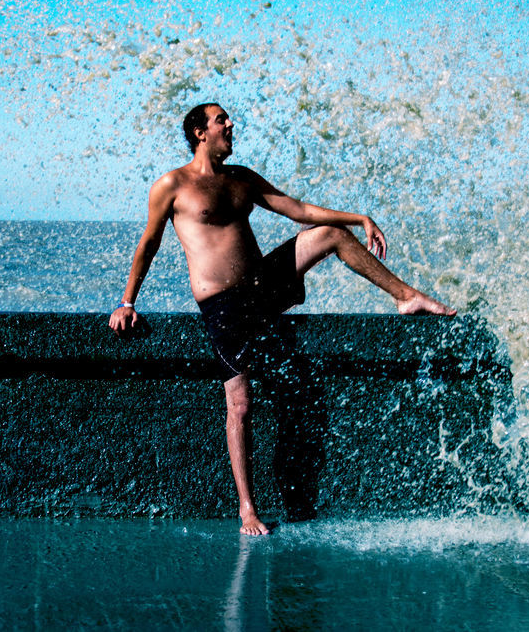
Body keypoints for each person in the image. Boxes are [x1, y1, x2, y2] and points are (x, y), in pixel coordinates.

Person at [109, 102, 455, 535]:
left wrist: (359, 216)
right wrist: (127, 302)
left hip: (262, 287)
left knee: (330, 235)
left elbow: (299, 211)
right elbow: (149, 242)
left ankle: (407, 297)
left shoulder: (243, 180)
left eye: (228, 119)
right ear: (199, 132)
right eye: (221, 120)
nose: (231, 124)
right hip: (223, 307)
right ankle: (247, 510)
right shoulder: (172, 185)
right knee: (241, 405)